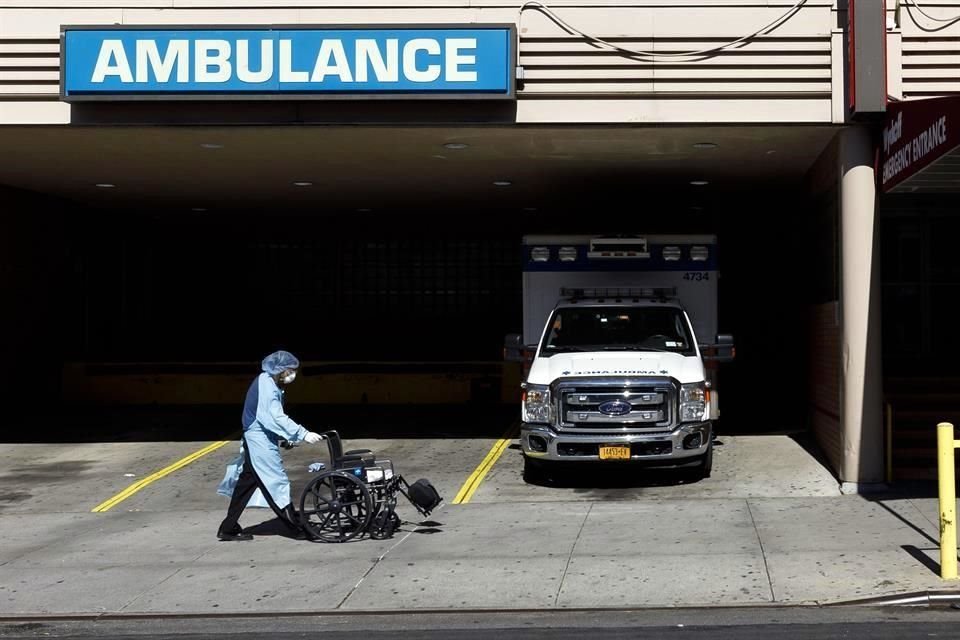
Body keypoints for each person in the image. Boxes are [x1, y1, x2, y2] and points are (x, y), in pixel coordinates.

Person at [216, 350, 324, 541]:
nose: (293, 375)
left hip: (257, 438)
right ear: (279, 370)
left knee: (246, 485)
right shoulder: (267, 386)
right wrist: (302, 433)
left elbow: (267, 418)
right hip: (259, 442)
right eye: (290, 371)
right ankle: (294, 528)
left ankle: (228, 528)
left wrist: (286, 438)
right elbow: (273, 417)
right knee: (276, 482)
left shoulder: (268, 382)